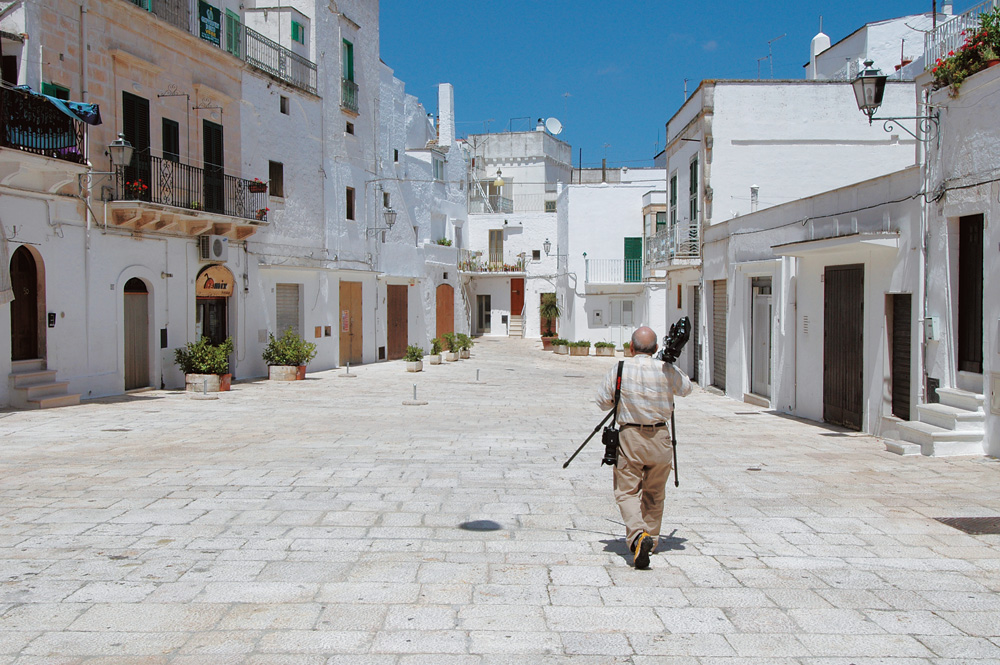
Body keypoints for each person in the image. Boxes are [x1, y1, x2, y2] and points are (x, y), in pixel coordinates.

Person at [596, 326, 692, 569]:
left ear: (630, 347)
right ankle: (652, 538)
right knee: (655, 492)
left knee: (626, 491)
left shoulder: (620, 369)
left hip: (631, 436)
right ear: (657, 348)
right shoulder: (666, 369)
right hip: (660, 436)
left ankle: (639, 536)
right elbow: (686, 389)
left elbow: (602, 402)